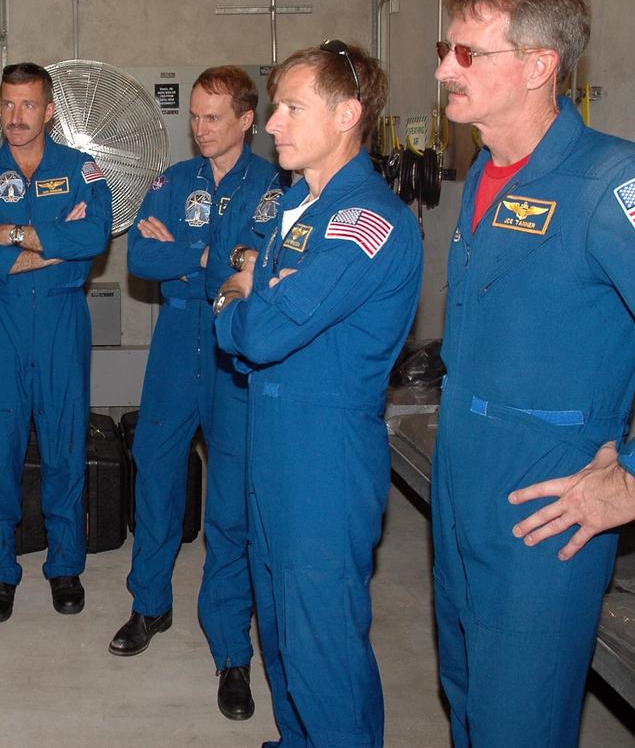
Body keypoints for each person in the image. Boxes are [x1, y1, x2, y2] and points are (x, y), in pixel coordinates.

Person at [431, 0, 635, 747]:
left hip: (544, 486)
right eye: (444, 49)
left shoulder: (617, 184)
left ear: (537, 65)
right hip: (463, 461)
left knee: (517, 721)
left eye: (467, 54)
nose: (442, 70)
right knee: (464, 689)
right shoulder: (490, 175)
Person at [211, 41, 422, 746]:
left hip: (324, 456)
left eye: (293, 107)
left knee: (323, 644)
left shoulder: (367, 219)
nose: (274, 123)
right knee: (280, 629)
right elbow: (264, 304)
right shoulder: (300, 204)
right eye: (275, 106)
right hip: (274, 442)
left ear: (348, 114)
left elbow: (262, 329)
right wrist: (254, 294)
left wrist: (233, 304)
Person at [111, 65, 280, 722]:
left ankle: (231, 649)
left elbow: (261, 267)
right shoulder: (171, 182)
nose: (201, 128)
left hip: (238, 348)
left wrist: (187, 250)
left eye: (215, 117)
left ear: (246, 119)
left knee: (230, 501)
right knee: (155, 473)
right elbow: (140, 262)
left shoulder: (276, 188)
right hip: (178, 340)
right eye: (196, 116)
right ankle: (149, 601)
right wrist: (215, 256)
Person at [0, 62, 113, 623]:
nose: (16, 117)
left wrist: (12, 235)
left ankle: (65, 565)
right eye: (7, 104)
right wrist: (49, 246)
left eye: (28, 105)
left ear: (49, 111)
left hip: (64, 324)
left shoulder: (82, 171)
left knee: (66, 446)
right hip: (3, 325)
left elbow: (93, 237)